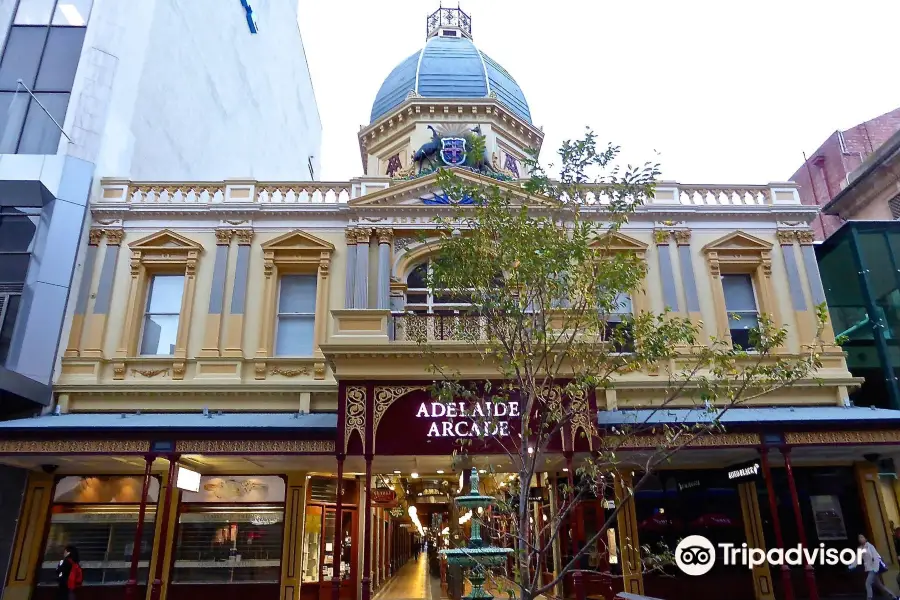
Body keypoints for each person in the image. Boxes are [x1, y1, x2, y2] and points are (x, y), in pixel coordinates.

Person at [852, 534, 898, 600]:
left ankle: (869, 598)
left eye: (862, 537)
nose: (860, 539)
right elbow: (857, 559)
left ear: (865, 538)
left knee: (868, 583)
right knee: (880, 585)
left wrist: (875, 567)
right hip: (869, 568)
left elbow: (876, 556)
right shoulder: (860, 548)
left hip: (873, 568)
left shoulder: (870, 546)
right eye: (859, 538)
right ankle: (894, 597)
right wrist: (852, 566)